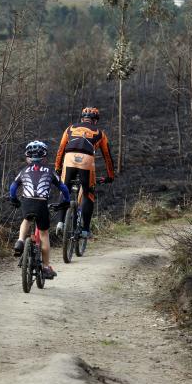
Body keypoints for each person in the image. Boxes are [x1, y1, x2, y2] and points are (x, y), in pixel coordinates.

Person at [9, 140, 70, 279]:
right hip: (41, 204)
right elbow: (64, 188)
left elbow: (13, 188)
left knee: (26, 220)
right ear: (44, 157)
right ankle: (46, 266)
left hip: (27, 202)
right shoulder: (49, 171)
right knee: (44, 234)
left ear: (27, 157)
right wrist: (66, 201)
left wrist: (14, 199)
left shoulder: (23, 171)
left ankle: (20, 241)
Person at [54, 107, 115, 239]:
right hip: (87, 161)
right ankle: (85, 230)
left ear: (82, 118)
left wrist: (57, 168)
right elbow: (107, 156)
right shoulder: (100, 133)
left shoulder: (70, 128)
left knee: (65, 189)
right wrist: (110, 176)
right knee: (88, 194)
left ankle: (60, 222)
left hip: (69, 159)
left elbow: (60, 150)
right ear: (95, 121)